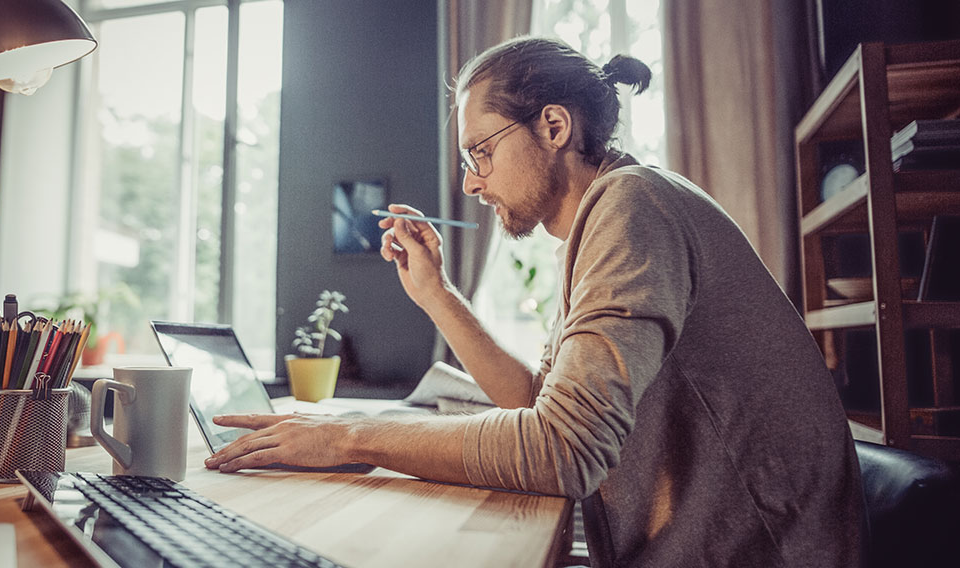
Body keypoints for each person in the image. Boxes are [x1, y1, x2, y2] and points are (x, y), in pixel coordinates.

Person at [205, 36, 864, 566]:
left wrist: (347, 435)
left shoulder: (632, 206)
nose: (468, 183)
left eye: (480, 152)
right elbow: (536, 405)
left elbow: (562, 450)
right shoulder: (608, 217)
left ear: (552, 125)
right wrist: (436, 294)